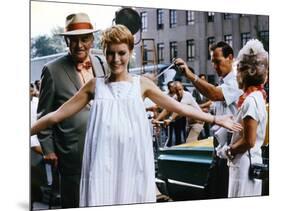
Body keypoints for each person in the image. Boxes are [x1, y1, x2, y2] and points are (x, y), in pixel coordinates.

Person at [32, 25, 242, 207]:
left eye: (121, 53)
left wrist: (215, 119)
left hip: (133, 160)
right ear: (104, 53)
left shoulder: (141, 84)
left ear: (130, 51)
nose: (116, 59)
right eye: (111, 53)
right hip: (102, 161)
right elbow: (56, 115)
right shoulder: (94, 86)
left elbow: (181, 108)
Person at [36, 12, 106, 208]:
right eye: (73, 40)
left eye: (84, 39)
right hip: (71, 153)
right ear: (66, 40)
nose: (79, 45)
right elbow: (44, 114)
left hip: (104, 148)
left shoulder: (102, 63)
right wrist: (48, 150)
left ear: (92, 39)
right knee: (74, 202)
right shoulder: (52, 70)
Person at [174, 41, 243, 198]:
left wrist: (190, 75)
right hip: (219, 150)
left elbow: (214, 94)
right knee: (212, 192)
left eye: (217, 61)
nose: (214, 66)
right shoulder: (224, 82)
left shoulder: (236, 81)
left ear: (230, 58)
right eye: (212, 62)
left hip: (230, 151)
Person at [217, 39, 268, 197]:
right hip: (250, 162)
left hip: (244, 164)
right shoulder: (258, 97)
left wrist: (228, 150)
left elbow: (249, 141)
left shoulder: (250, 101)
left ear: (244, 74)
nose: (236, 75)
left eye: (237, 70)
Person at [192, 74, 212, 138]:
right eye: (201, 79)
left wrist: (201, 105)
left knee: (207, 129)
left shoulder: (208, 90)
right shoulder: (195, 91)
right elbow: (193, 102)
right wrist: (200, 108)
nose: (202, 81)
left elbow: (210, 101)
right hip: (199, 113)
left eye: (204, 79)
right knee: (199, 129)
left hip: (206, 112)